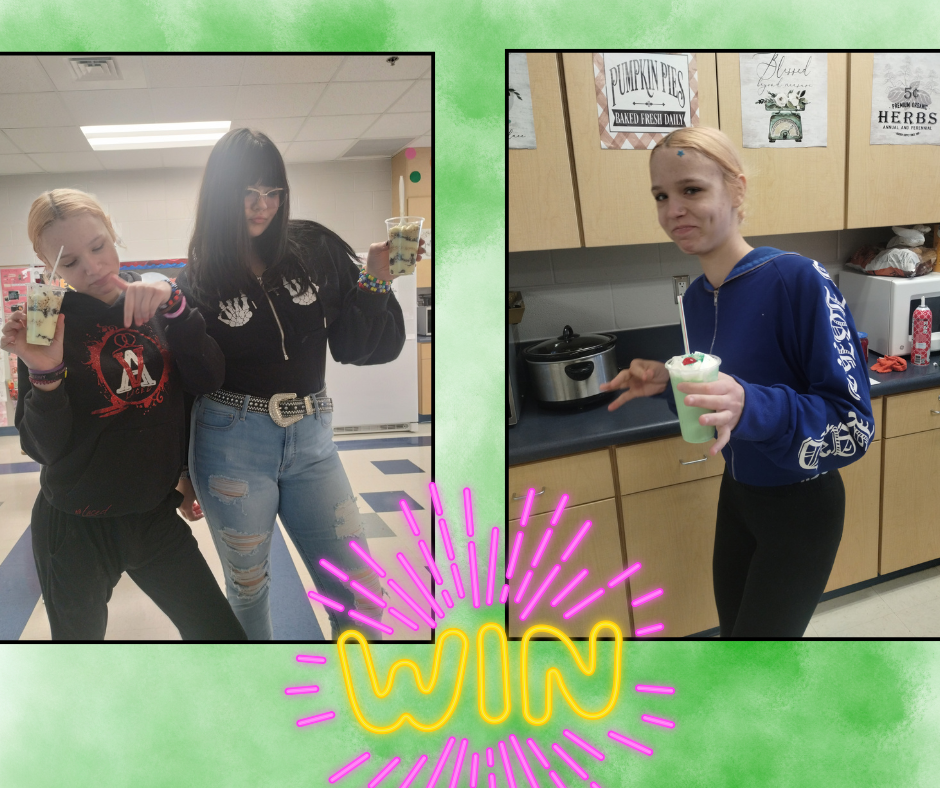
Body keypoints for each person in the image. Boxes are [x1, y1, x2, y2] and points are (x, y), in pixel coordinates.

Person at [600, 127, 874, 638]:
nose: (672, 210)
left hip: (801, 507)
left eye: (692, 190)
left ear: (737, 190)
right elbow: (720, 409)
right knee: (734, 640)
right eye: (661, 196)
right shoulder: (697, 299)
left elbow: (853, 425)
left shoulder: (799, 279)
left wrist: (749, 405)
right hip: (739, 494)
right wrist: (670, 385)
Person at [175, 128, 425, 640]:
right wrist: (178, 473)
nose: (261, 205)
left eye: (273, 191)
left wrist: (377, 278)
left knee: (361, 595)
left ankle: (360, 707)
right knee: (247, 592)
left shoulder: (316, 248)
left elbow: (358, 347)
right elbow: (189, 382)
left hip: (313, 441)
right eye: (247, 192)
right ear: (222, 195)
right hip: (229, 445)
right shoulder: (197, 279)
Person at [2, 189, 246, 641]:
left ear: (112, 232)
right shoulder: (45, 318)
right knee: (81, 665)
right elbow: (41, 448)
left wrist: (175, 308)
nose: (92, 268)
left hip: (153, 516)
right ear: (44, 259)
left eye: (98, 247)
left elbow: (206, 379)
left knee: (221, 638)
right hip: (75, 526)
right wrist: (46, 371)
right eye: (70, 261)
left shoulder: (154, 299)